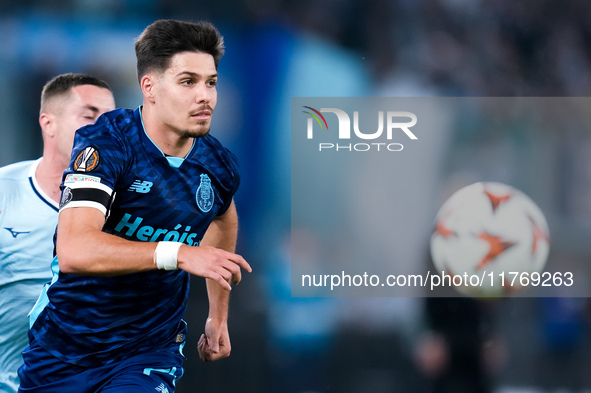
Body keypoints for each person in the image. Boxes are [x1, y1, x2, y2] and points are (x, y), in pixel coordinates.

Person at [18, 20, 252, 393]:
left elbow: (223, 218)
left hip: (149, 352)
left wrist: (217, 317)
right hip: (64, 350)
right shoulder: (107, 144)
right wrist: (178, 253)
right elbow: (75, 250)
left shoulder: (218, 165)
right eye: (188, 82)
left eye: (211, 82)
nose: (205, 96)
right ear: (150, 88)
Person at [0, 73, 115, 393]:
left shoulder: (131, 209)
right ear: (48, 123)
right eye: (89, 116)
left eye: (111, 120)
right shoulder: (4, 194)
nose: (103, 129)